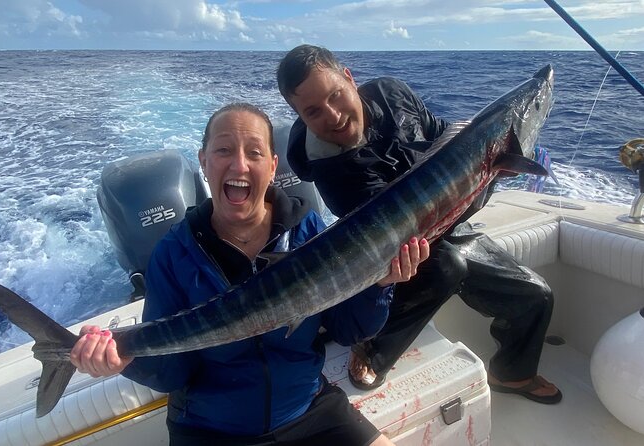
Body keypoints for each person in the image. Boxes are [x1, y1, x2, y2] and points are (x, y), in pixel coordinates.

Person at [70, 102, 430, 446]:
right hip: (210, 431)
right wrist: (125, 359)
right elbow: (172, 373)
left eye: (254, 153)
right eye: (224, 150)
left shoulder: (308, 233)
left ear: (273, 167)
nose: (239, 165)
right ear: (204, 162)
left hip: (309, 410)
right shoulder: (174, 253)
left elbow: (347, 328)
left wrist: (380, 284)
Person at [276, 44, 562, 404]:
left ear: (349, 78)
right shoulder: (333, 171)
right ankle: (372, 348)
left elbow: (441, 133)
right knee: (445, 266)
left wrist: (478, 158)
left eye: (335, 95)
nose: (333, 116)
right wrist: (488, 172)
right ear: (300, 116)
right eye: (314, 111)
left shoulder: (391, 92)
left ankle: (513, 373)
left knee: (536, 296)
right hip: (394, 256)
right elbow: (412, 234)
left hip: (450, 222)